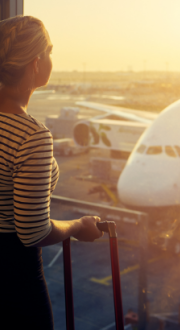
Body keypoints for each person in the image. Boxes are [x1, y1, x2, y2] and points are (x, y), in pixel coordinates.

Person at [0, 15, 102, 330]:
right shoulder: (31, 135)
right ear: (36, 62)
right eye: (51, 51)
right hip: (12, 278)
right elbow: (33, 232)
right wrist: (77, 226)